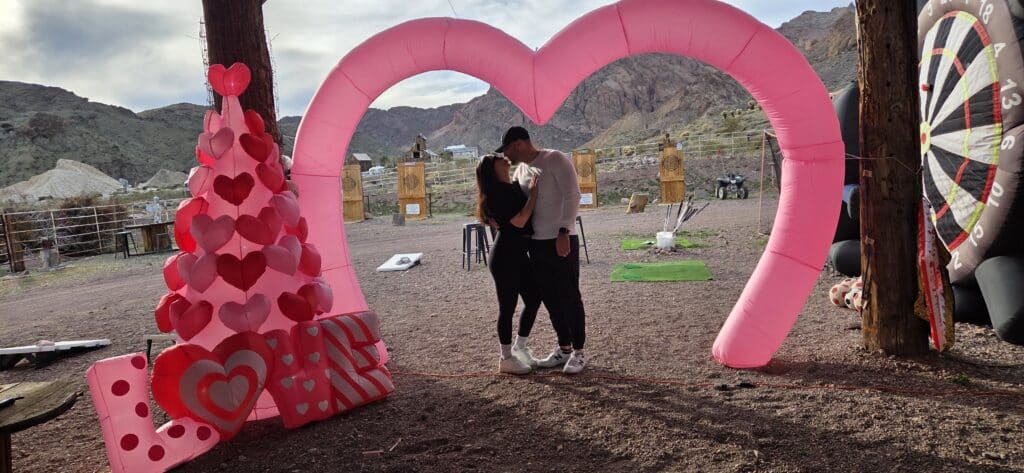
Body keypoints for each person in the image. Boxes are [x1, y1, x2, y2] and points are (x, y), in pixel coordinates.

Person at [497, 126, 588, 374]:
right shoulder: (522, 170)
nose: (505, 155)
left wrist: (563, 231)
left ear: (517, 144)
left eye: (506, 149)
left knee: (569, 295)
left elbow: (573, 195)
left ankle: (579, 352)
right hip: (536, 243)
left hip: (560, 239)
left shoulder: (554, 158)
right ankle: (564, 348)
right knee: (549, 297)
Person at [475, 154, 544, 375]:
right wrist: (534, 195)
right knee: (507, 307)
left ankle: (519, 347)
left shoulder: (511, 186)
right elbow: (520, 220)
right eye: (498, 158)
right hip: (505, 256)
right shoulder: (497, 194)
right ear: (492, 168)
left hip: (518, 252)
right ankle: (505, 358)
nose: (505, 158)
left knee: (534, 298)